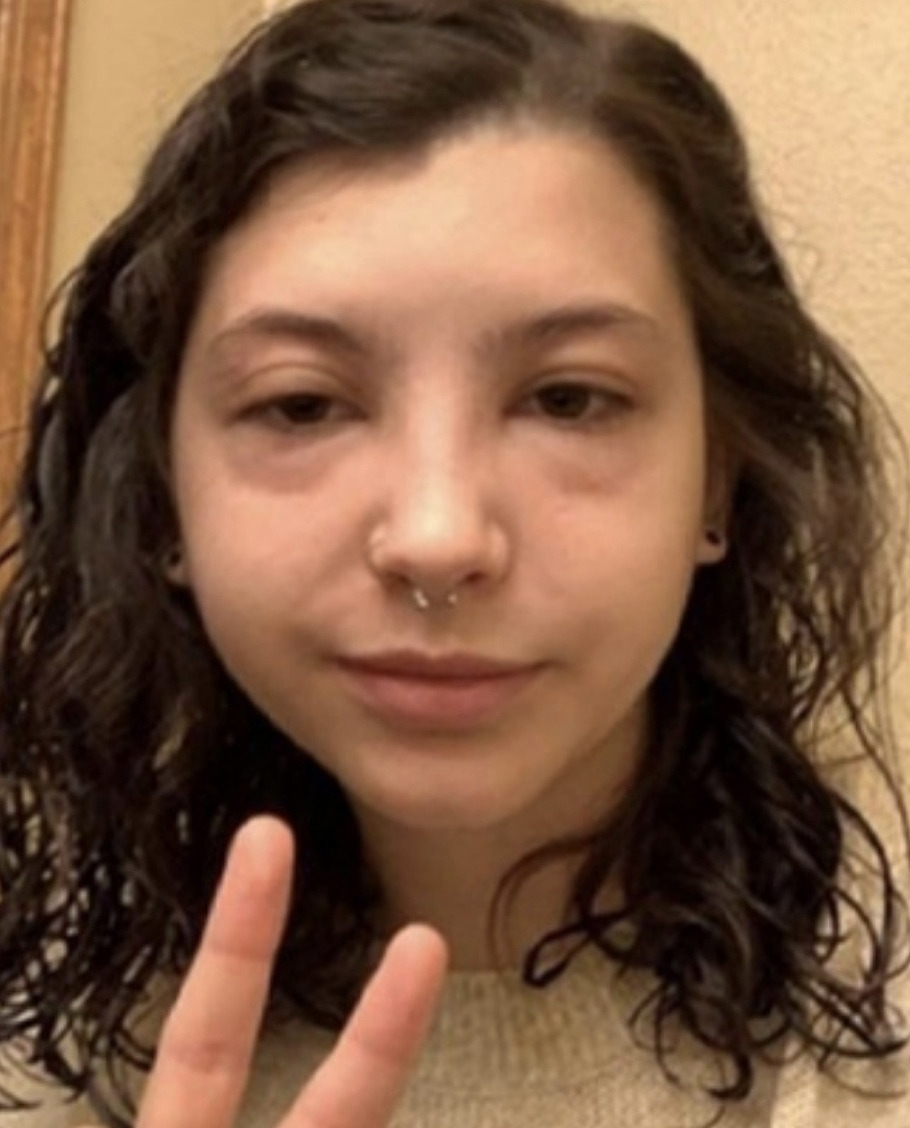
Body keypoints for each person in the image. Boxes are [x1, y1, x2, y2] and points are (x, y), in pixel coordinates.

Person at [0, 0, 907, 1125]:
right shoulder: (54, 1044)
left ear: (715, 482)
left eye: (568, 399)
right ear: (163, 498)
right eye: (302, 404)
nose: (437, 538)